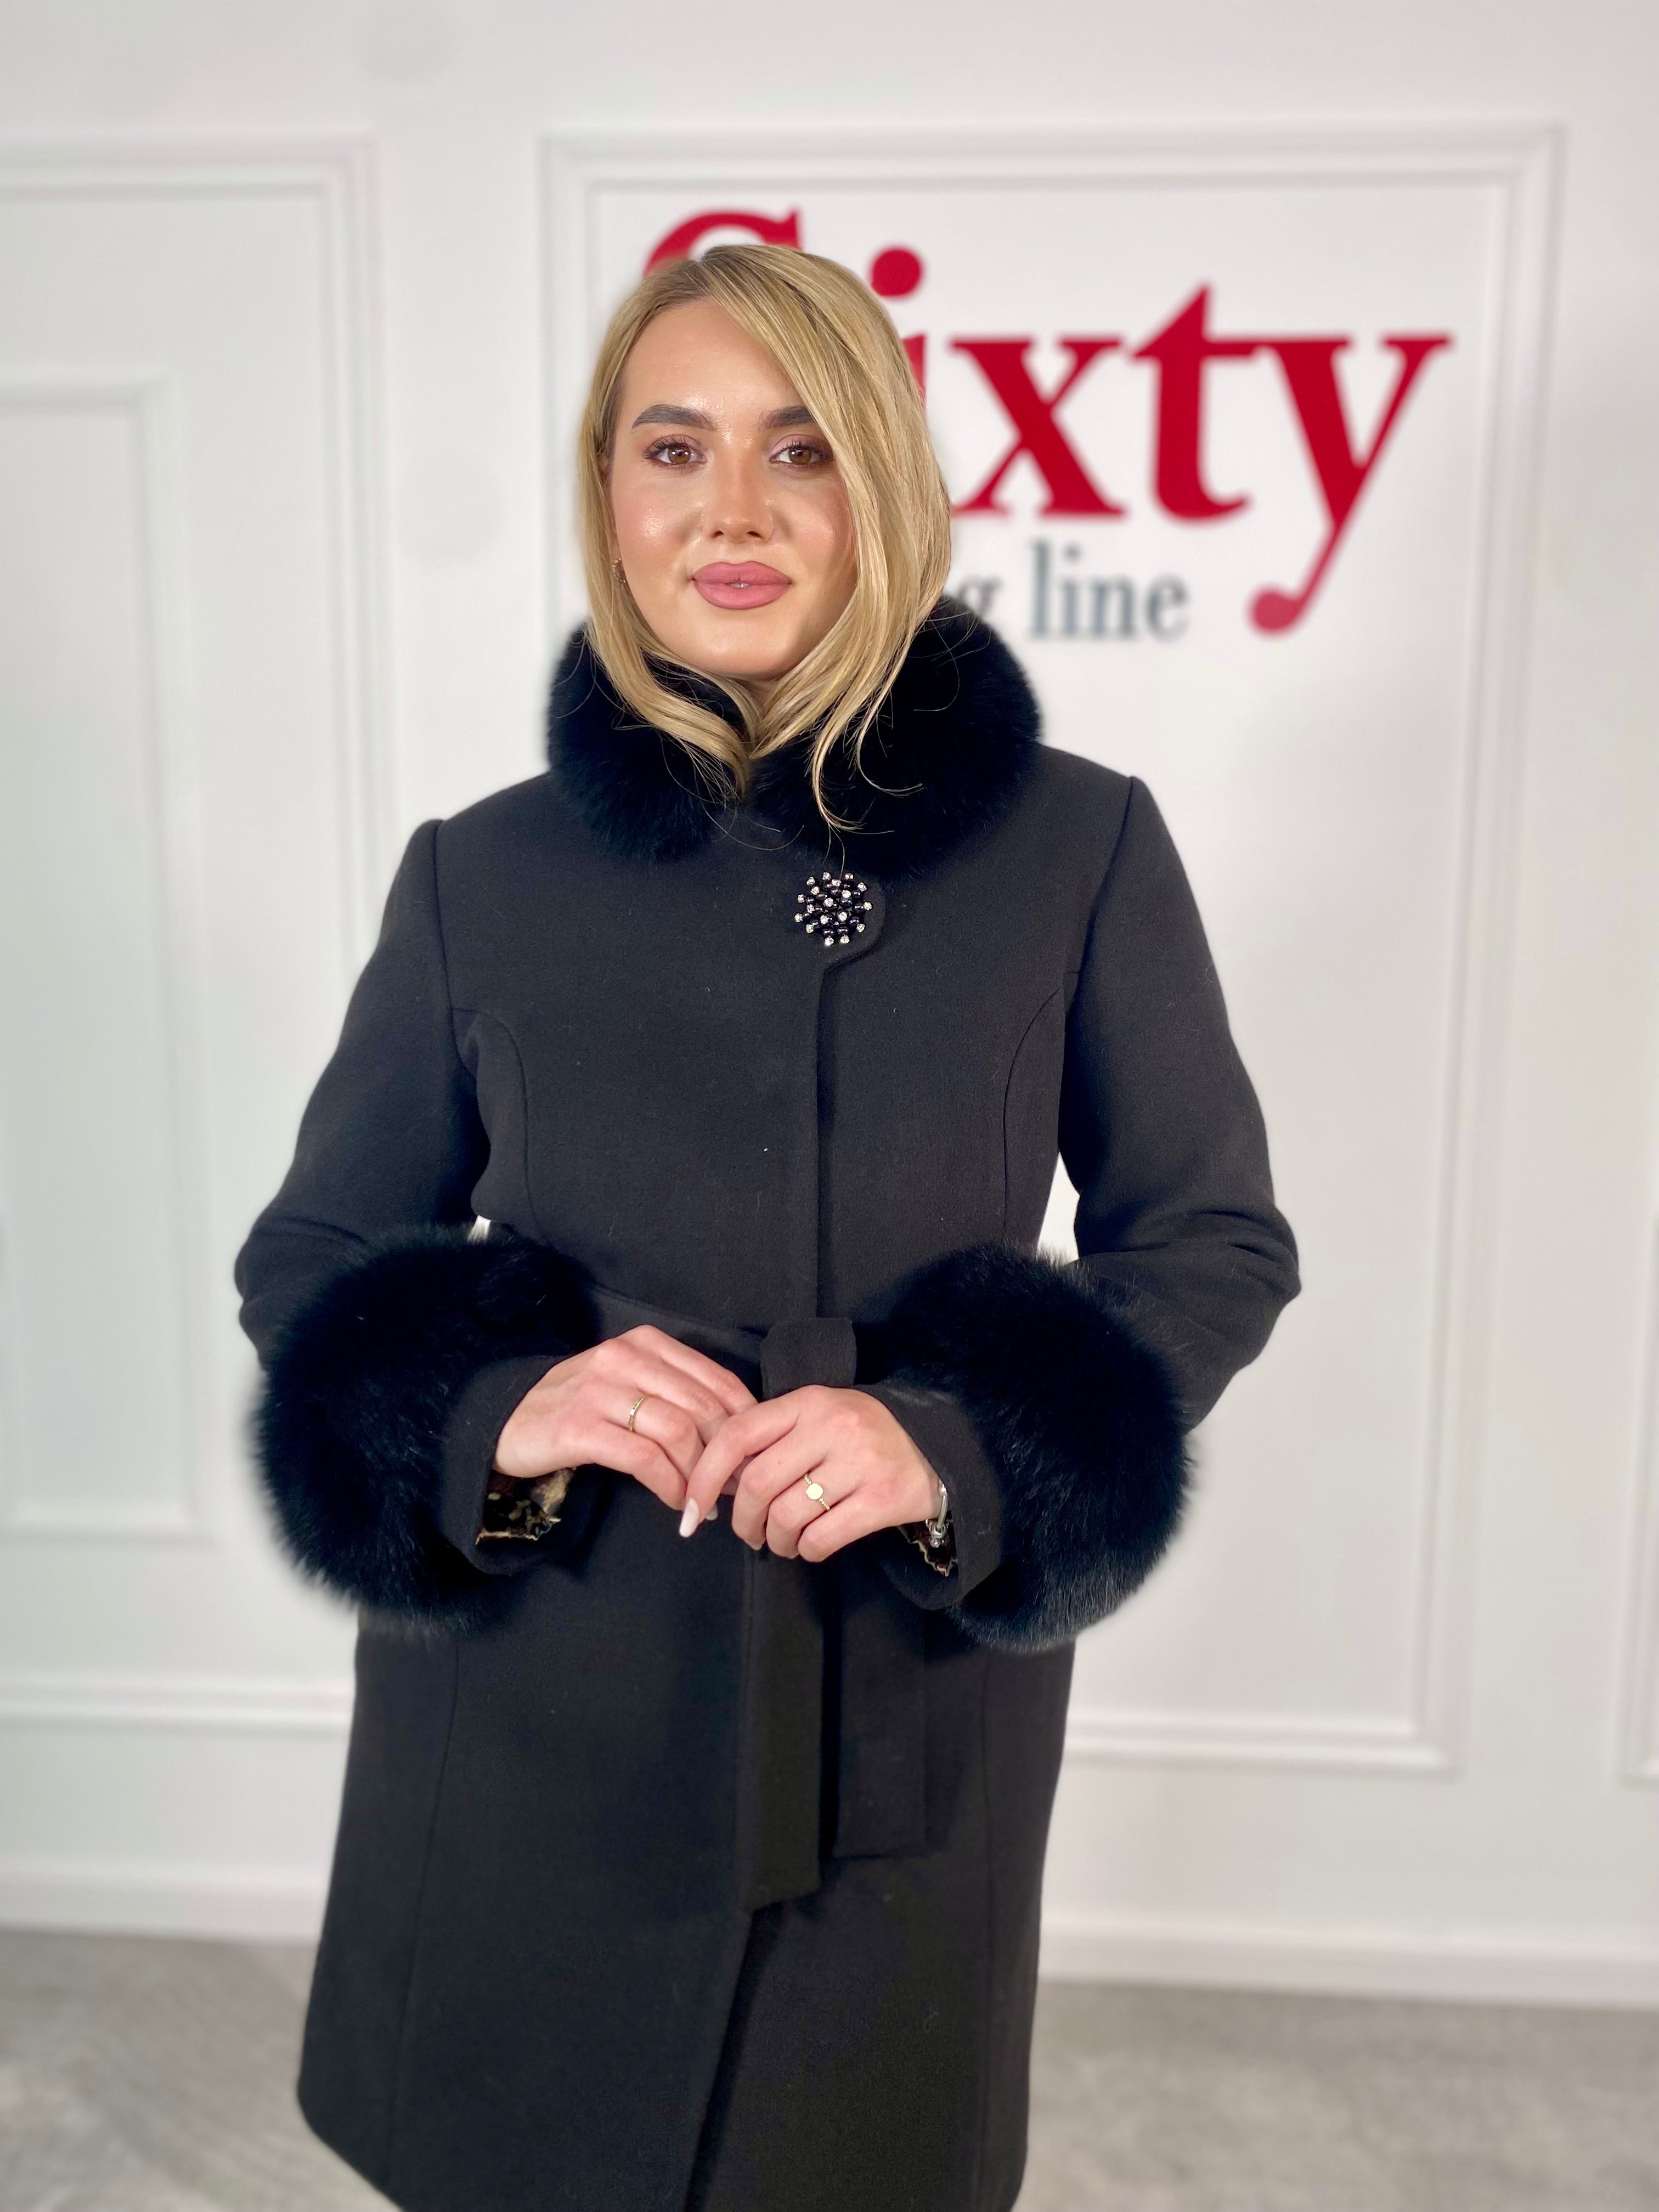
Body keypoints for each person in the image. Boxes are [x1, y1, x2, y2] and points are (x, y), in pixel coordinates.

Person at [234, 241, 1301, 2212]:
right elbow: (312, 1252)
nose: (731, 507)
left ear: (881, 482)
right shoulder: (482, 873)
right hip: (543, 1691)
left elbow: (1212, 1239)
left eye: (798, 447)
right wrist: (493, 1411)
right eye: (675, 447)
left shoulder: (1080, 847)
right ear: (610, 494)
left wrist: (955, 1441)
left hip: (894, 1681)